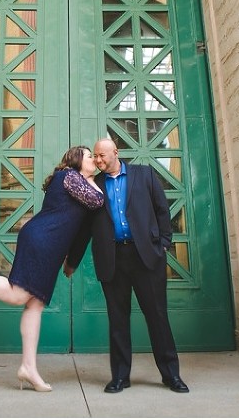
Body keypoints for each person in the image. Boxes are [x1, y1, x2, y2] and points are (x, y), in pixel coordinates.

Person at [0, 146, 104, 391]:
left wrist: (70, 261)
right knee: (18, 295)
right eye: (90, 156)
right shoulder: (69, 176)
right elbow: (98, 201)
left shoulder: (77, 181)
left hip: (51, 246)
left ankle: (28, 368)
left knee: (35, 304)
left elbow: (79, 225)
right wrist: (92, 179)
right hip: (41, 240)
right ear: (76, 160)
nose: (94, 160)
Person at [65, 138, 189, 394]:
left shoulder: (144, 175)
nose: (98, 160)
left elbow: (162, 210)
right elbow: (84, 229)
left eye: (102, 155)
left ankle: (171, 375)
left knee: (157, 317)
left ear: (115, 152)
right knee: (118, 320)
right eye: (95, 156)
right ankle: (120, 377)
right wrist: (72, 261)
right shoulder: (94, 185)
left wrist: (164, 244)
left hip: (146, 257)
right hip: (112, 259)